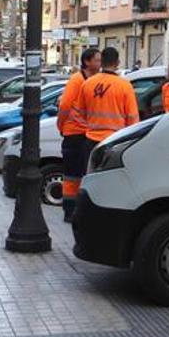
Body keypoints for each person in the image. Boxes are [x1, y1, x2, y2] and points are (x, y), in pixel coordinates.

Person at [73, 47, 139, 205]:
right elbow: (133, 119)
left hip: (91, 141)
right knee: (113, 183)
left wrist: (90, 126)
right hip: (114, 143)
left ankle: (87, 212)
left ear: (101, 62)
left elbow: (78, 114)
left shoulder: (88, 83)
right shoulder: (124, 86)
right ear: (117, 63)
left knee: (89, 180)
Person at [56, 47, 100, 222]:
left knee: (84, 175)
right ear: (87, 61)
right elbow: (65, 105)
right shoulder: (77, 80)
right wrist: (62, 125)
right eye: (96, 60)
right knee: (71, 176)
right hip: (74, 133)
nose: (99, 63)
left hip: (90, 134)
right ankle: (69, 210)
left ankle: (81, 210)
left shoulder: (97, 80)